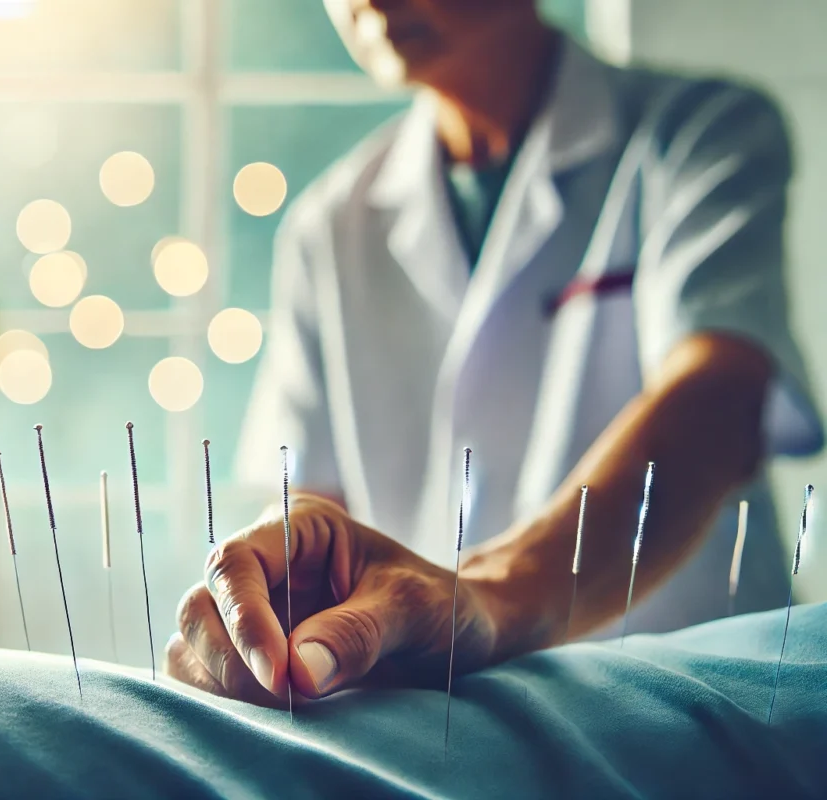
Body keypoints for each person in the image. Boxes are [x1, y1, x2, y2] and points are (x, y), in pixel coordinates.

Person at [168, 0, 823, 705]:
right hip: (464, 725)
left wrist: (487, 598)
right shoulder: (328, 225)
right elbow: (317, 504)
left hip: (693, 706)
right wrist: (278, 619)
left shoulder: (699, 131)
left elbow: (717, 398)